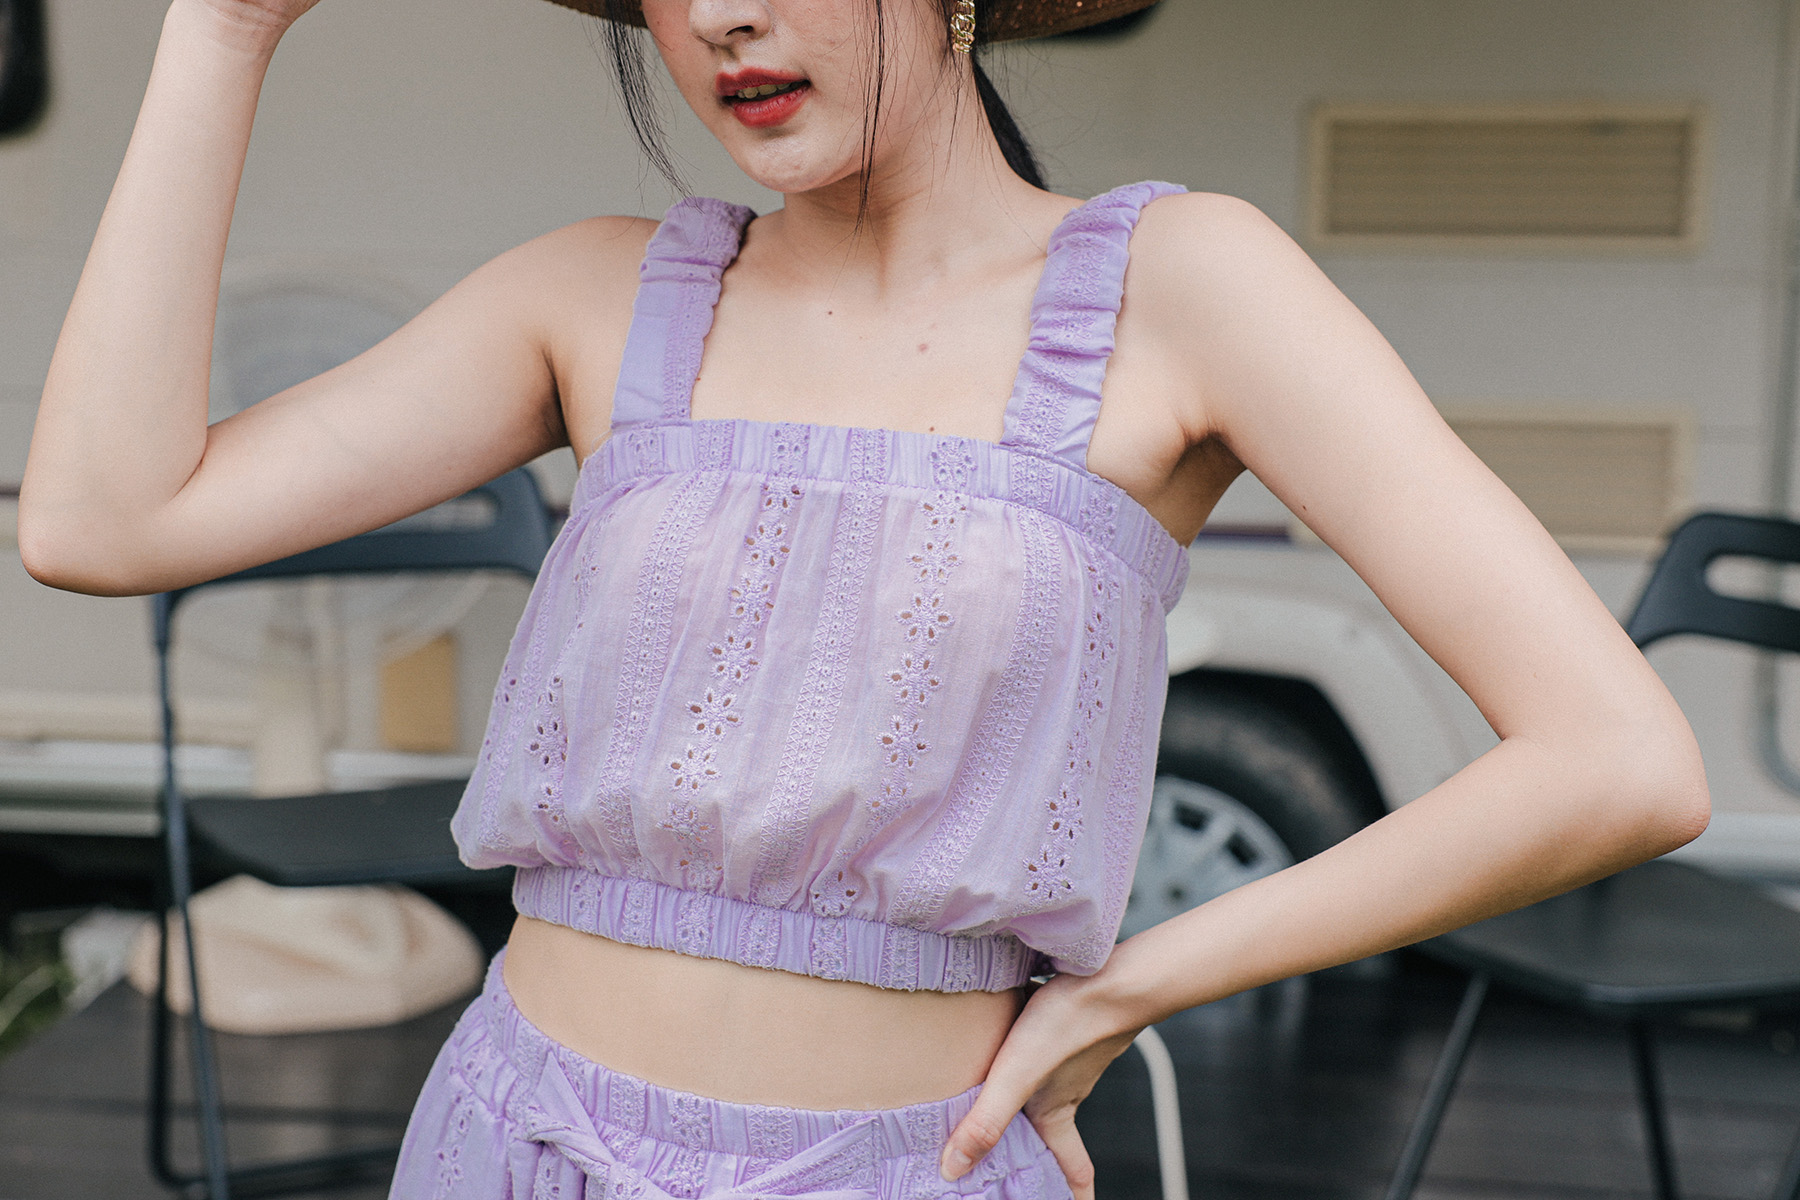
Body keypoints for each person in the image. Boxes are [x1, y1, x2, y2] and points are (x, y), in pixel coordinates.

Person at [17, 0, 1712, 1196]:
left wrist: (1132, 986)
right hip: (515, 1145)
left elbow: (1618, 760)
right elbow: (101, 519)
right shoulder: (593, 297)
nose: (722, 17)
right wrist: (223, 31)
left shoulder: (1186, 288)